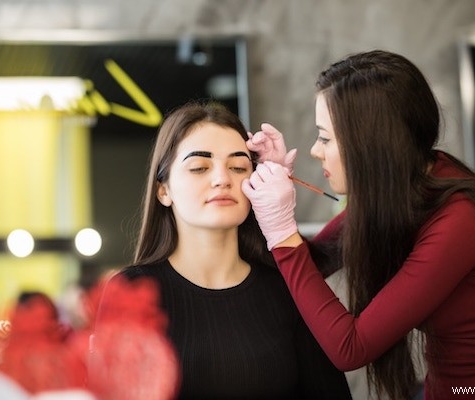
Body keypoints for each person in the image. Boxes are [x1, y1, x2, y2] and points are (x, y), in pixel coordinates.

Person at [242, 50, 475, 400]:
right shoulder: (405, 187)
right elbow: (313, 264)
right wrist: (271, 200)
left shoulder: (464, 217)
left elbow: (350, 347)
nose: (315, 151)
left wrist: (282, 229)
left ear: (370, 144)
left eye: (325, 138)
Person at [105, 101, 352, 399]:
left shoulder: (287, 288)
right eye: (199, 167)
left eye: (238, 167)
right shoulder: (131, 291)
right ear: (163, 191)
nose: (223, 179)